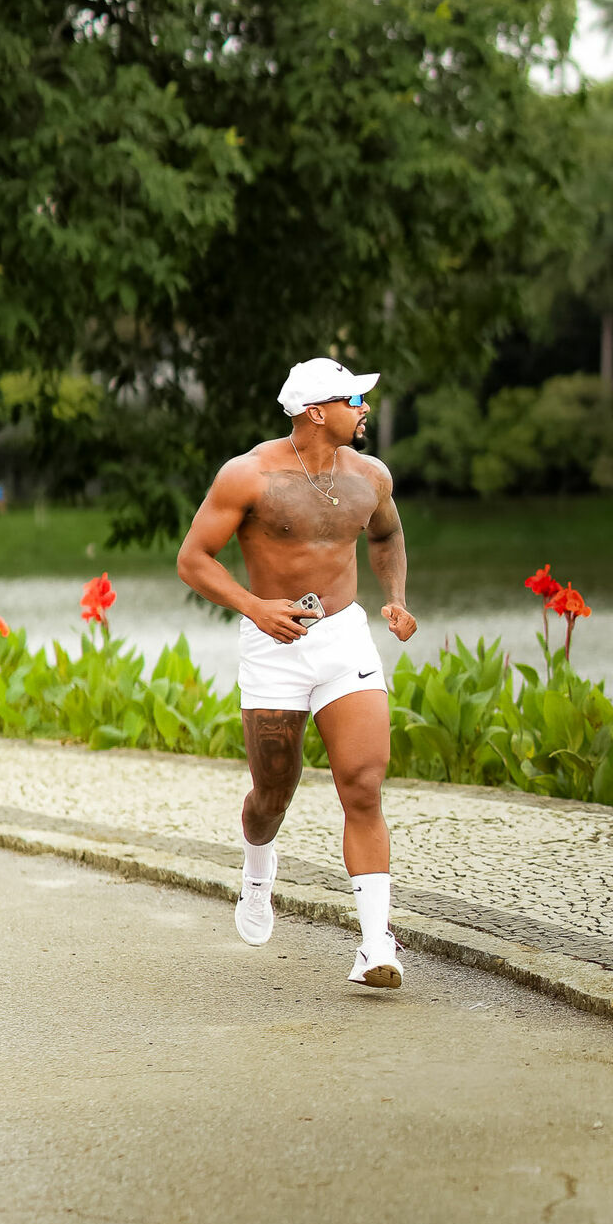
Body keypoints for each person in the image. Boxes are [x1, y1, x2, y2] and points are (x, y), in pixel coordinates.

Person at [176, 357, 417, 988]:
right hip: (273, 644)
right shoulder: (248, 476)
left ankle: (374, 945)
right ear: (317, 411)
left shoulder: (371, 476)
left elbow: (387, 538)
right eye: (354, 400)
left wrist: (394, 597)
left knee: (362, 786)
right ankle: (258, 871)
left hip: (342, 636)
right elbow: (193, 559)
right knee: (272, 793)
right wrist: (256, 608)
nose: (365, 408)